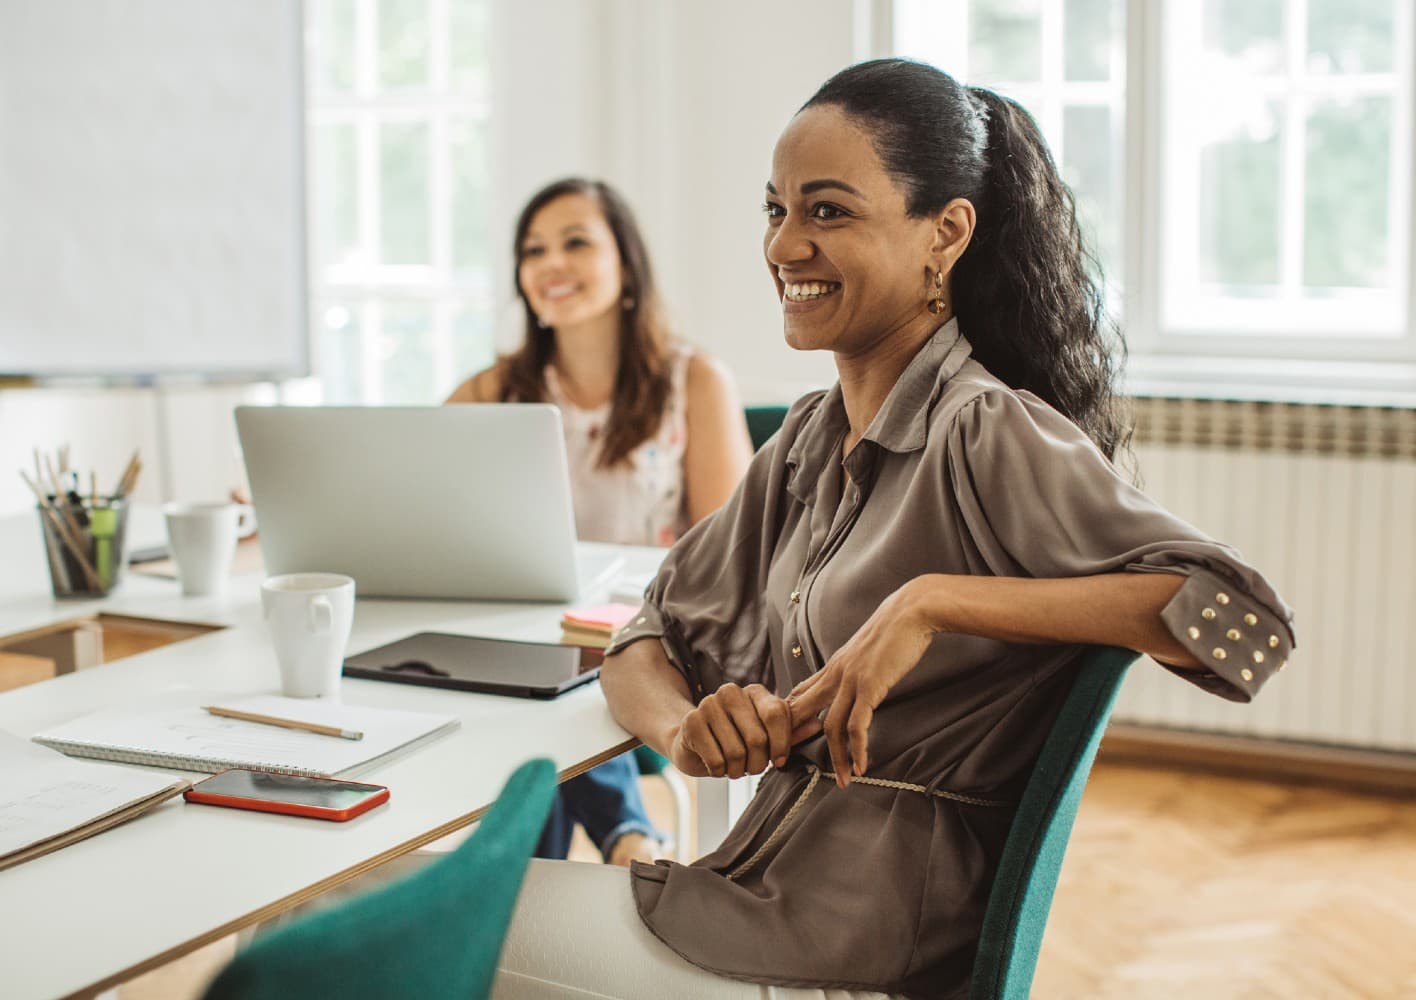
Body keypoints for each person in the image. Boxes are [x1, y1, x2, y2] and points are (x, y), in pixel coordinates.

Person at [490, 61, 1296, 1000]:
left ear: (944, 235)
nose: (785, 244)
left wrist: (931, 603)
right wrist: (686, 729)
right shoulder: (806, 437)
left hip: (856, 952)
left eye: (828, 211)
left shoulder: (984, 429)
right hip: (762, 894)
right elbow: (644, 637)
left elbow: (1245, 624)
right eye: (775, 209)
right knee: (405, 915)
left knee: (398, 928)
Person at [448, 177, 754, 867]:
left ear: (626, 267)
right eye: (533, 250)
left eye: (576, 242)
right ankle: (626, 842)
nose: (550, 264)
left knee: (563, 685)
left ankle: (526, 876)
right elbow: (409, 497)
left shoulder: (695, 382)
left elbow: (731, 563)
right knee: (541, 677)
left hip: (652, 641)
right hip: (526, 638)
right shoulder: (492, 391)